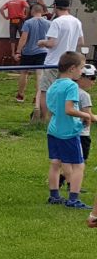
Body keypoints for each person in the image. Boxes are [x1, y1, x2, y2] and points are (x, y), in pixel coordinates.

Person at [44, 51, 92, 208]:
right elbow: (69, 109)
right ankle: (73, 199)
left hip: (53, 130)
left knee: (55, 163)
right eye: (81, 68)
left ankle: (54, 196)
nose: (82, 72)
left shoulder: (54, 85)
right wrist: (86, 115)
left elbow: (52, 109)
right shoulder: (71, 85)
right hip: (68, 132)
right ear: (72, 68)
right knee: (78, 165)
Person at [38, 0, 85, 129]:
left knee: (46, 90)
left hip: (54, 62)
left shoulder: (57, 22)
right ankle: (62, 117)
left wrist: (42, 42)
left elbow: (52, 43)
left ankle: (45, 120)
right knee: (65, 91)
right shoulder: (76, 21)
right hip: (70, 61)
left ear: (55, 7)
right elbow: (81, 42)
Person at [14, 3, 50, 105]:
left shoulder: (28, 23)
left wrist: (18, 51)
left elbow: (23, 38)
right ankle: (37, 97)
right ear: (42, 11)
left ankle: (20, 95)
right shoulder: (49, 23)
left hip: (28, 52)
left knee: (24, 73)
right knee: (39, 74)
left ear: (32, 11)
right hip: (43, 51)